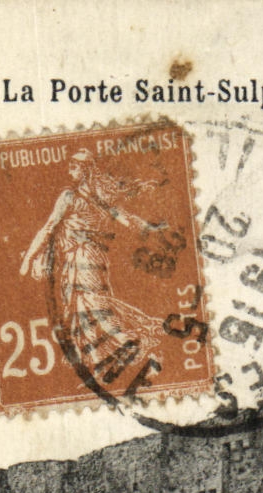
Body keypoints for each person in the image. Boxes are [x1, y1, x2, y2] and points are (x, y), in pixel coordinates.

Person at [19, 150, 167, 376]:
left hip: (82, 257)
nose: (70, 171)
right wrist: (150, 229)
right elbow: (127, 220)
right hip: (94, 257)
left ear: (85, 170)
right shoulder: (101, 200)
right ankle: (99, 359)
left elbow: (49, 227)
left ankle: (134, 342)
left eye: (74, 167)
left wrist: (29, 258)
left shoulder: (70, 197)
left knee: (89, 304)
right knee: (90, 305)